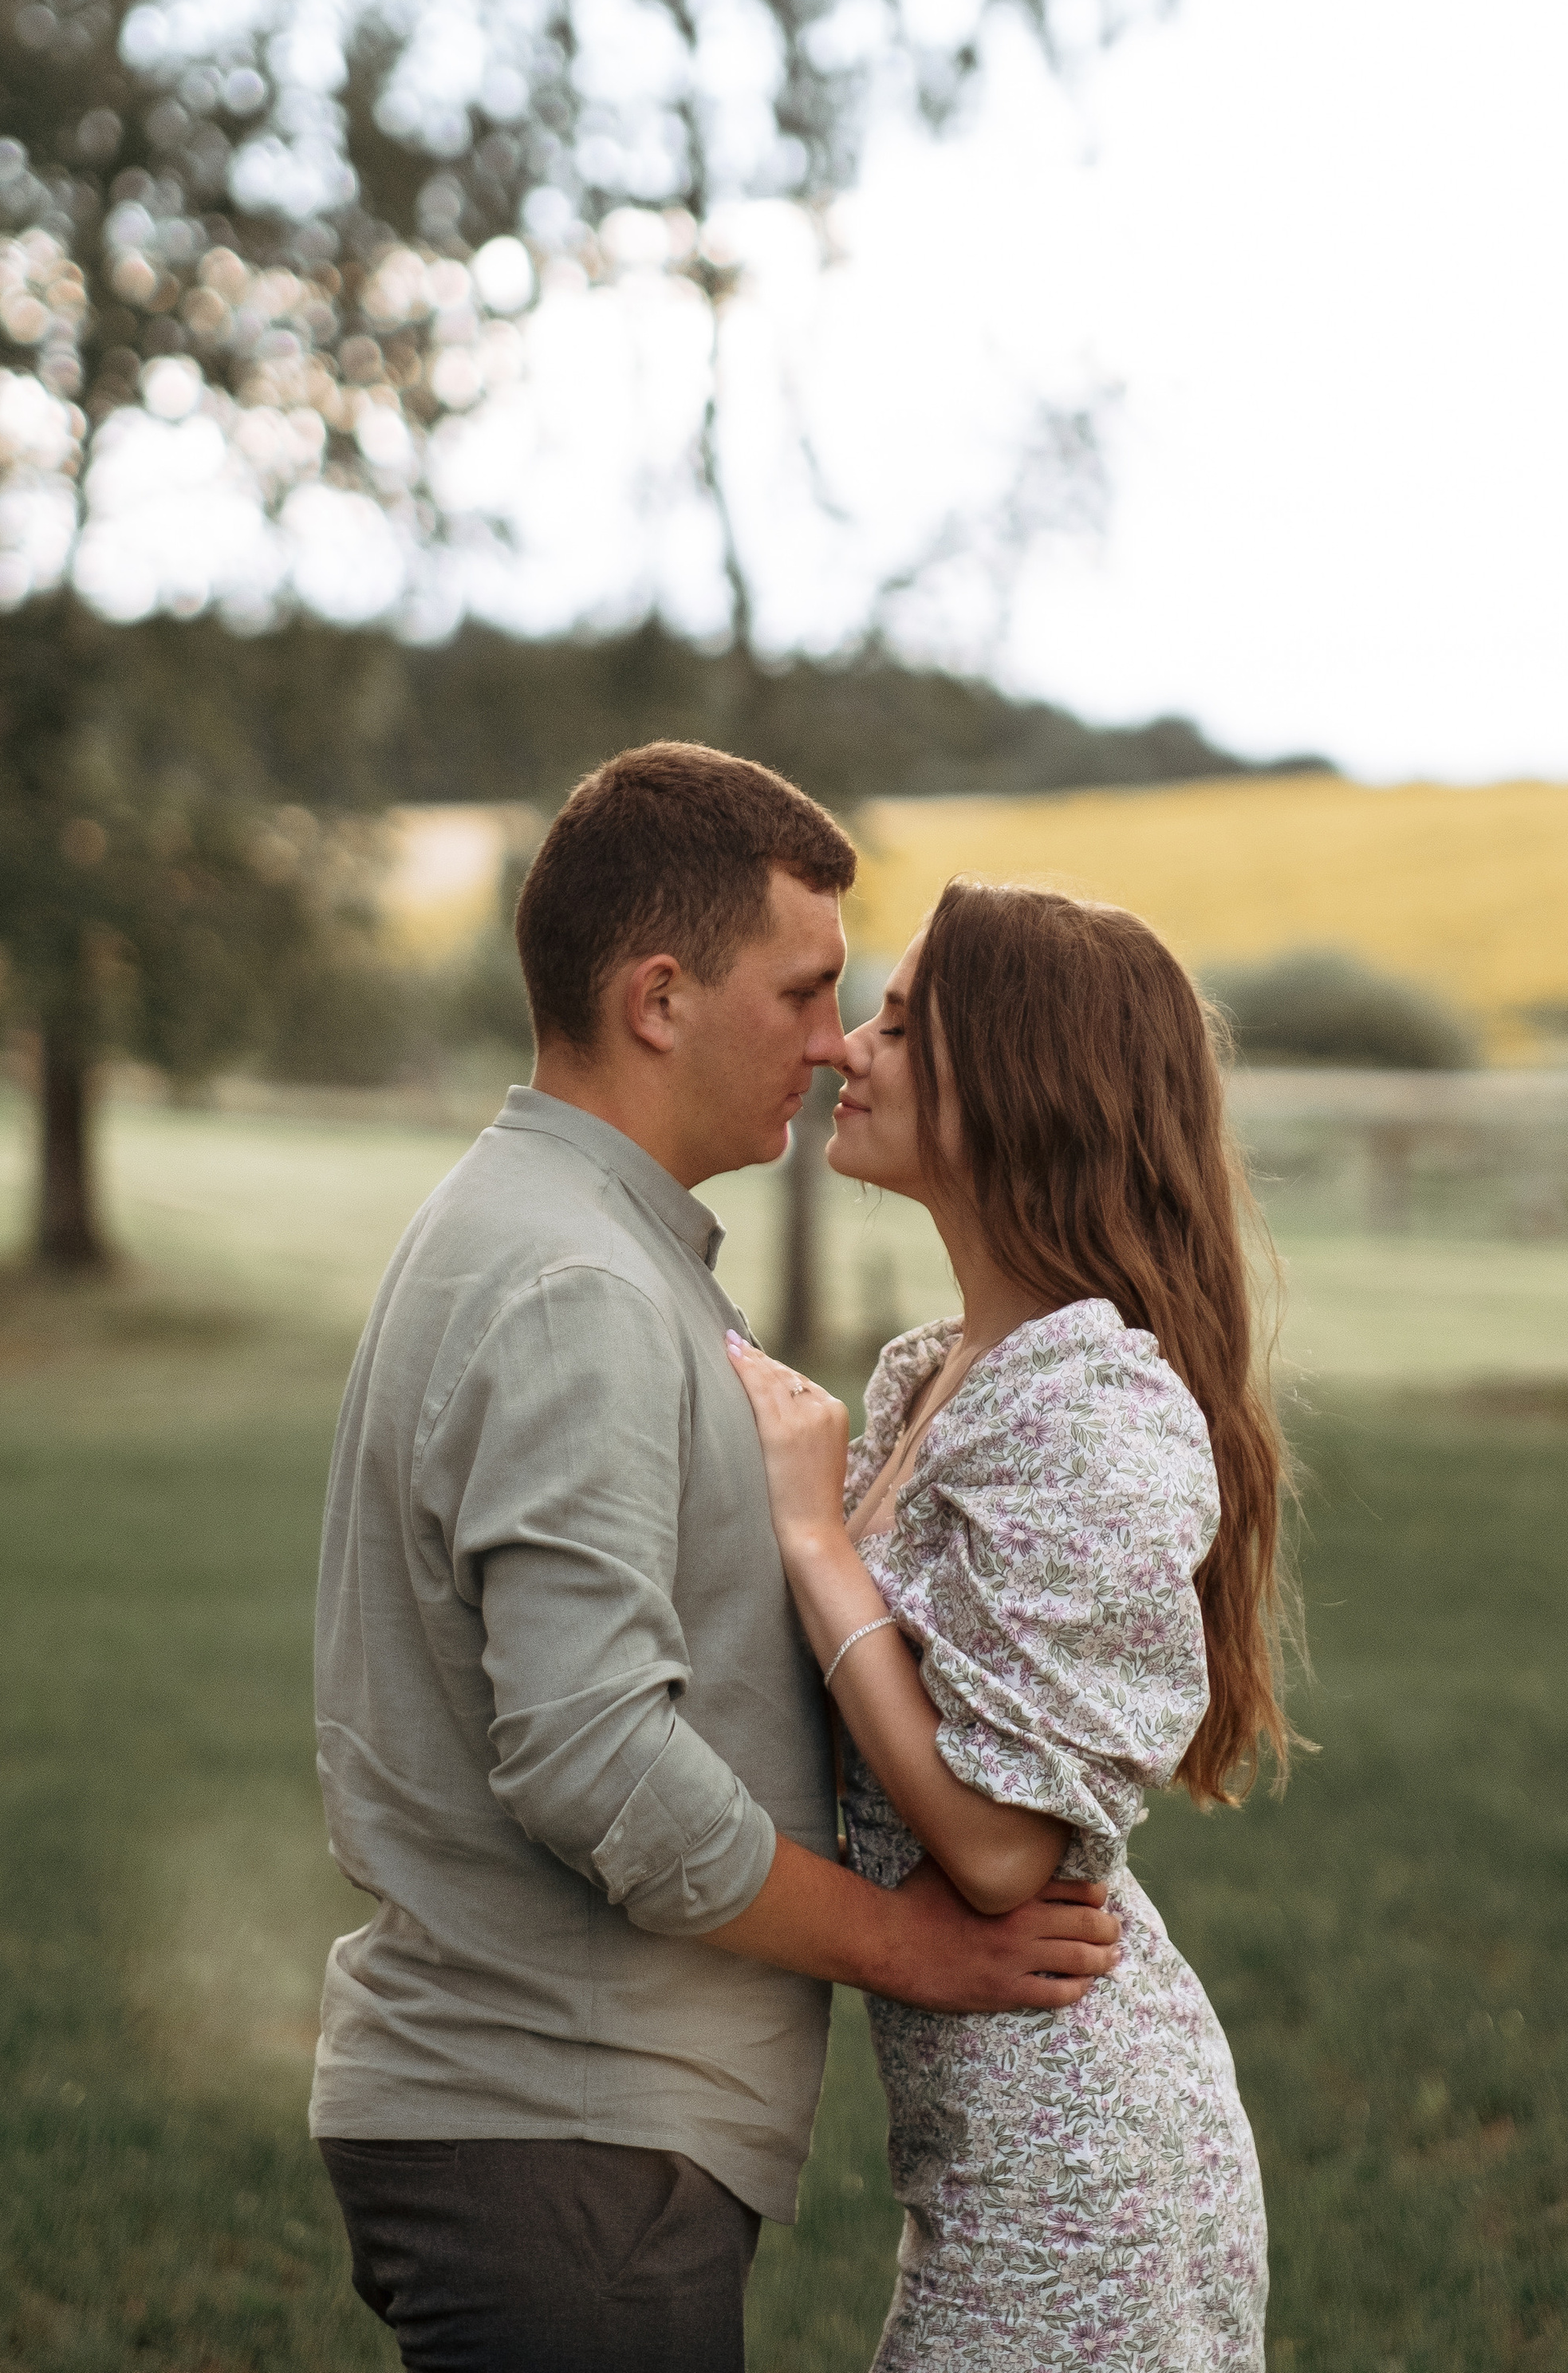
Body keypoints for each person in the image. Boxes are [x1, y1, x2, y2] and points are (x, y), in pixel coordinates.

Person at [308, 747, 1121, 2373]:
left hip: (561, 2142)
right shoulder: (577, 1288)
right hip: (560, 2138)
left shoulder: (558, 1235)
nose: (834, 1047)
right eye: (805, 992)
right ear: (659, 997)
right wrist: (918, 1947)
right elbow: (595, 1760)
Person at [727, 875, 1297, 2373]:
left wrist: (810, 1537)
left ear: (1024, 1082)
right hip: (991, 2143)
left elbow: (997, 1847)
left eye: (904, 1024)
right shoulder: (943, 1380)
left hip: (1081, 2170)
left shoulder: (1092, 1410)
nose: (849, 1048)